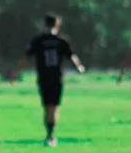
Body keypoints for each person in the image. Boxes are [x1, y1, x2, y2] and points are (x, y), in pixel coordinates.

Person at [20, 15, 85, 146]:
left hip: (43, 78)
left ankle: (49, 133)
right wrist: (79, 67)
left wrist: (17, 71)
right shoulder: (61, 41)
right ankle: (50, 134)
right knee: (54, 107)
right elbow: (72, 56)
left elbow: (26, 57)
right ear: (57, 25)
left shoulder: (38, 40)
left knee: (47, 107)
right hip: (56, 78)